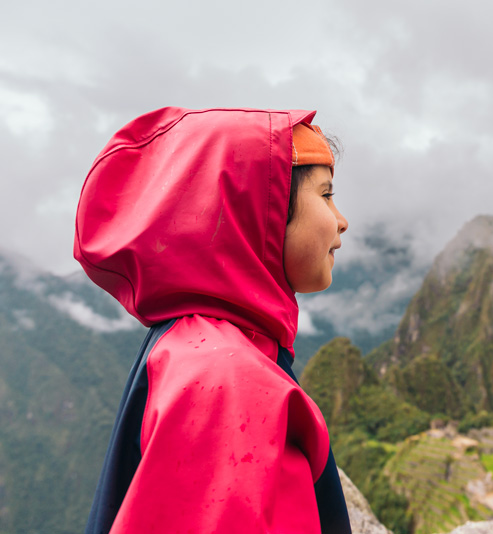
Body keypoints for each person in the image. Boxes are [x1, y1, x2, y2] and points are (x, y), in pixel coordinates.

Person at [75, 107, 352, 533]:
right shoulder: (227, 382)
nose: (341, 221)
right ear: (264, 209)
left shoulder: (194, 345)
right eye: (327, 195)